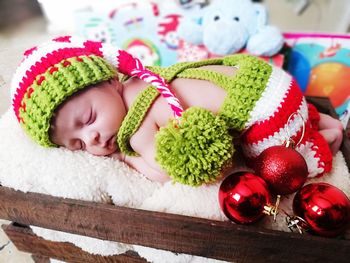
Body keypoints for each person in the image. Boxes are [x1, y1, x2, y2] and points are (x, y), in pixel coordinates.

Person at [11, 36, 343, 186]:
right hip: (267, 79)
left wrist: (126, 157)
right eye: (79, 144)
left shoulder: (138, 122)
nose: (92, 137)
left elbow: (164, 171)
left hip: (269, 114)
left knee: (272, 169)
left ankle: (325, 136)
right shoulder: (144, 78)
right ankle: (318, 118)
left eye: (87, 120)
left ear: (111, 81)